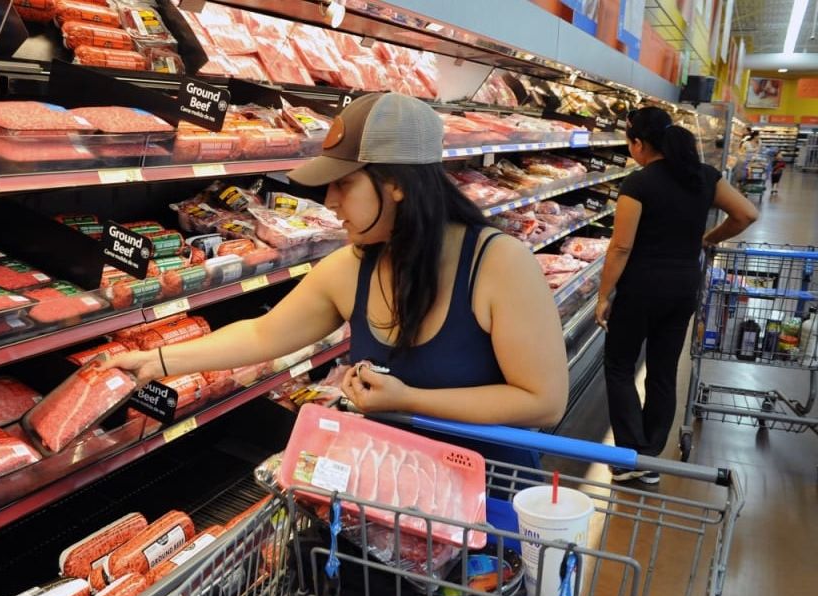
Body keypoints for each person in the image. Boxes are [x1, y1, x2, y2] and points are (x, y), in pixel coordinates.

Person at [107, 93, 569, 474]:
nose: (328, 201)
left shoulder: (499, 264)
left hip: (483, 494)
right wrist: (157, 361)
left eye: (343, 184)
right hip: (385, 486)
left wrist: (412, 400)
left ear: (397, 185)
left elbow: (543, 400)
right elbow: (263, 334)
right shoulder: (351, 266)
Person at [595, 107, 758, 483]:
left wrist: (604, 296)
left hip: (639, 290)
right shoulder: (704, 177)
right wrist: (707, 239)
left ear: (639, 144)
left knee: (619, 367)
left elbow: (620, 248)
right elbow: (746, 214)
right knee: (663, 372)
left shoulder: (638, 185)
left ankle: (627, 458)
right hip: (683, 287)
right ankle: (651, 460)